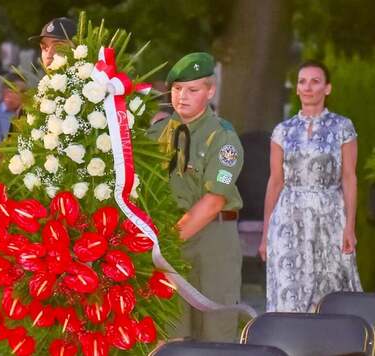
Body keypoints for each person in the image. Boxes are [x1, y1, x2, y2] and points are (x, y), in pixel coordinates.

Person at [147, 52, 244, 341]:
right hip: (169, 239)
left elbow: (214, 200)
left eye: (193, 90)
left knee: (215, 331)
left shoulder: (222, 137)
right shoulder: (156, 134)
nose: (182, 97)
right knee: (170, 333)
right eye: (177, 89)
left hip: (211, 240)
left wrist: (166, 244)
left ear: (210, 91)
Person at [259, 60, 362, 312]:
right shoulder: (282, 131)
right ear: (296, 89)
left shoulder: (342, 127)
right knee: (289, 285)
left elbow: (349, 177)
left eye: (315, 81)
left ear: (327, 89)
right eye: (302, 81)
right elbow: (275, 182)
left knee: (331, 287)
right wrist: (265, 234)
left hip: (330, 216)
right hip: (288, 217)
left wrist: (349, 226)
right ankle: (287, 343)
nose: (308, 87)